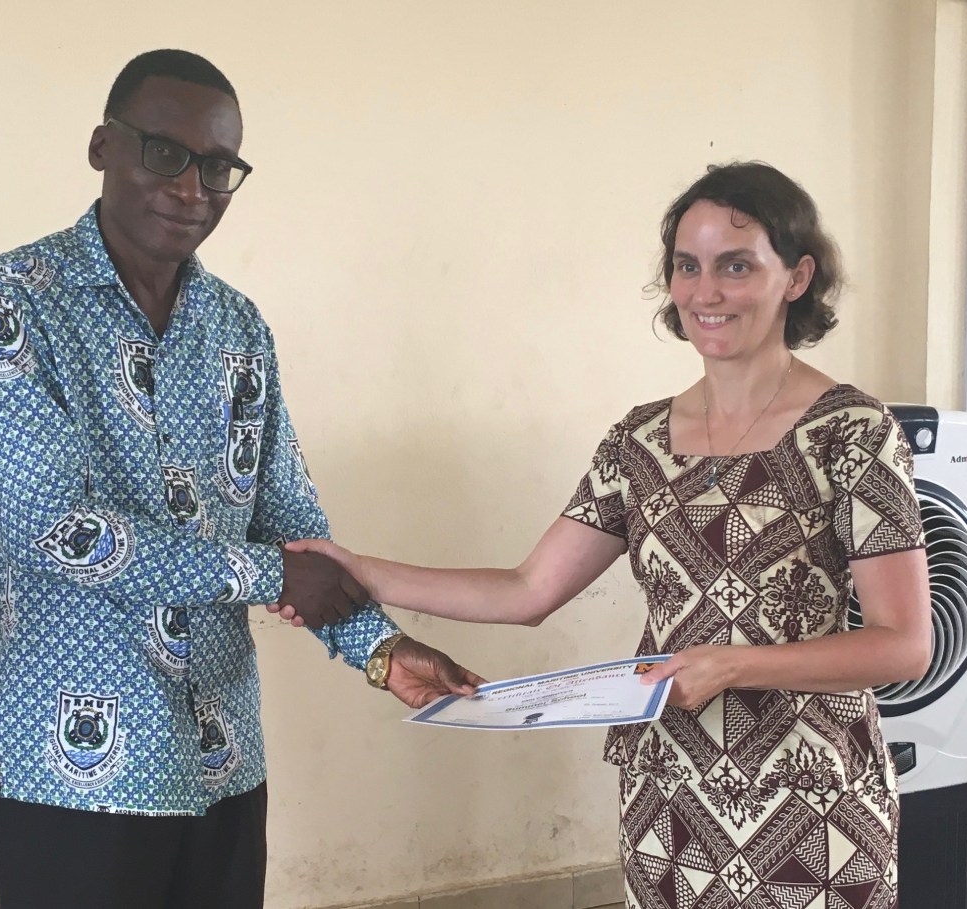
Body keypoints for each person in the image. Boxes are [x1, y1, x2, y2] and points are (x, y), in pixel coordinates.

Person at [284, 162, 933, 909]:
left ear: (797, 277)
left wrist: (734, 665)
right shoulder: (638, 441)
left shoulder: (852, 431)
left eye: (736, 266)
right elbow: (527, 590)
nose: (706, 292)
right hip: (670, 804)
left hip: (814, 806)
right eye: (687, 266)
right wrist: (359, 568)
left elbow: (903, 645)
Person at [0, 49, 480, 909]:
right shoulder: (9, 303)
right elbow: (54, 526)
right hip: (67, 772)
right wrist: (272, 574)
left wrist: (382, 651)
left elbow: (293, 530)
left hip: (219, 759)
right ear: (102, 146)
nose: (192, 187)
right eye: (166, 153)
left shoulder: (238, 327)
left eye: (219, 166)